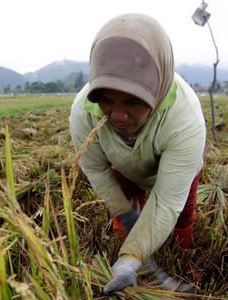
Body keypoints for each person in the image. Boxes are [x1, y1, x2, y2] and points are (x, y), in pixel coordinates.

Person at [69, 14, 206, 294]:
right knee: (127, 218)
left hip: (177, 173)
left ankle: (181, 257)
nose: (118, 115)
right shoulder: (83, 112)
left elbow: (167, 199)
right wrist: (127, 228)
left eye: (133, 101)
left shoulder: (185, 118)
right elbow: (97, 170)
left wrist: (132, 258)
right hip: (126, 166)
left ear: (156, 94)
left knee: (182, 218)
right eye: (107, 100)